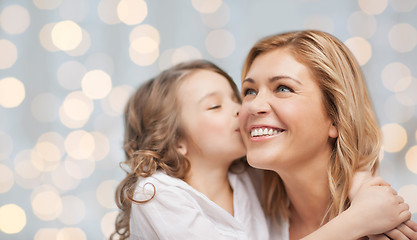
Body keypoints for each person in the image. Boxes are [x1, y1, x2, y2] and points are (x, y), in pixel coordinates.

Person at [111, 59, 412, 240]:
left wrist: (361, 187)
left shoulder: (249, 177)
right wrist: (357, 220)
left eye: (237, 97)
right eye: (215, 106)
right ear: (175, 139)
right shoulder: (156, 193)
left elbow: (325, 161)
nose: (243, 109)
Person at [239, 30, 417, 239]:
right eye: (249, 91)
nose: (254, 106)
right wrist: (356, 220)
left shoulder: (388, 228)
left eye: (283, 88)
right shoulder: (242, 217)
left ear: (336, 116)